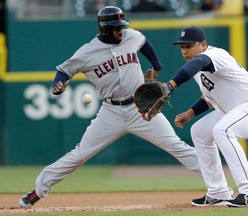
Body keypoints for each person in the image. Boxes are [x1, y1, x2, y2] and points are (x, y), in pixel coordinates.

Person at [18, 6, 202, 208]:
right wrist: (58, 85)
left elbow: (144, 43)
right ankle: (37, 192)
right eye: (116, 28)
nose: (120, 31)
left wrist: (157, 67)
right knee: (80, 153)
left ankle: (220, 186)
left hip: (141, 108)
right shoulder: (87, 52)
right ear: (104, 28)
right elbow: (64, 71)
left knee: (177, 146)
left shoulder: (131, 36)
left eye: (121, 26)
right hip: (111, 112)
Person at [161, 26, 248, 207]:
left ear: (203, 44)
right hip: (234, 108)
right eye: (182, 47)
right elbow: (210, 98)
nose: (184, 50)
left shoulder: (214, 55)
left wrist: (170, 85)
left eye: (189, 46)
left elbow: (197, 63)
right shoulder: (199, 68)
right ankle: (218, 192)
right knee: (199, 131)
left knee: (223, 130)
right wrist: (190, 113)